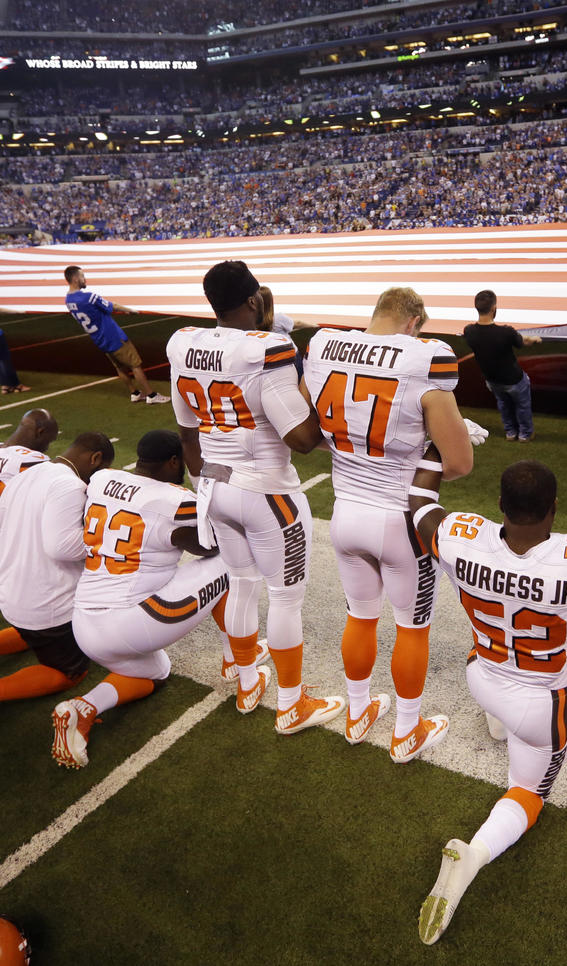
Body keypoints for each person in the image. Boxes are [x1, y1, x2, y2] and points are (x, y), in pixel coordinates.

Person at [408, 460, 567, 944]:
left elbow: (419, 506)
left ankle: (498, 721)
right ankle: (475, 856)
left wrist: (434, 455)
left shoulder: (462, 537)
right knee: (529, 792)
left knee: (487, 645)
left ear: (500, 505)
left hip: (482, 675)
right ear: (555, 507)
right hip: (540, 703)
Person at [167, 260, 342, 734]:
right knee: (285, 599)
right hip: (266, 491)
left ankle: (247, 682)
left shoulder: (184, 344)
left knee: (241, 584)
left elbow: (186, 435)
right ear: (251, 300)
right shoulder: (268, 348)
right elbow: (302, 439)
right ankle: (291, 704)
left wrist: (209, 483)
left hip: (214, 484)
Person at [303, 287, 474, 762]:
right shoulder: (425, 358)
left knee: (360, 616)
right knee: (411, 627)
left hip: (344, 512)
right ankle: (405, 730)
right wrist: (438, 443)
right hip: (401, 520)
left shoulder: (324, 347)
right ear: (414, 320)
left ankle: (358, 714)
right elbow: (459, 463)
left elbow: (312, 426)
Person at [52, 430, 241, 769]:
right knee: (231, 560)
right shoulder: (173, 499)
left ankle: (83, 708)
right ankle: (238, 658)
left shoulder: (102, 479)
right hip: (130, 621)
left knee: (156, 670)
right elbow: (210, 545)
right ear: (173, 462)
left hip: (84, 624)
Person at [0, 432, 116, 752]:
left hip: (10, 587)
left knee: (32, 631)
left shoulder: (28, 473)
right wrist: (103, 537)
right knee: (68, 671)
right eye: (98, 470)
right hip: (44, 599)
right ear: (95, 458)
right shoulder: (71, 486)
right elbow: (61, 547)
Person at [64, 265, 167, 403]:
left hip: (99, 339)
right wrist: (131, 310)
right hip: (113, 336)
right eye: (82, 276)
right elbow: (113, 306)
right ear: (75, 278)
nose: (85, 279)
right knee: (135, 365)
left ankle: (134, 392)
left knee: (120, 367)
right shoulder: (88, 297)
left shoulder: (68, 300)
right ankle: (151, 395)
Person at [462, 290, 541, 442]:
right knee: (522, 405)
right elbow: (523, 342)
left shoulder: (469, 331)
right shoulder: (506, 332)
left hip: (492, 380)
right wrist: (535, 339)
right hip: (514, 379)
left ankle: (510, 432)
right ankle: (525, 434)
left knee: (503, 404)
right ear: (493, 309)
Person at [0, 408, 58, 531]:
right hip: (13, 537)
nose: (47, 447)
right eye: (49, 440)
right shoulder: (31, 461)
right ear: (40, 432)